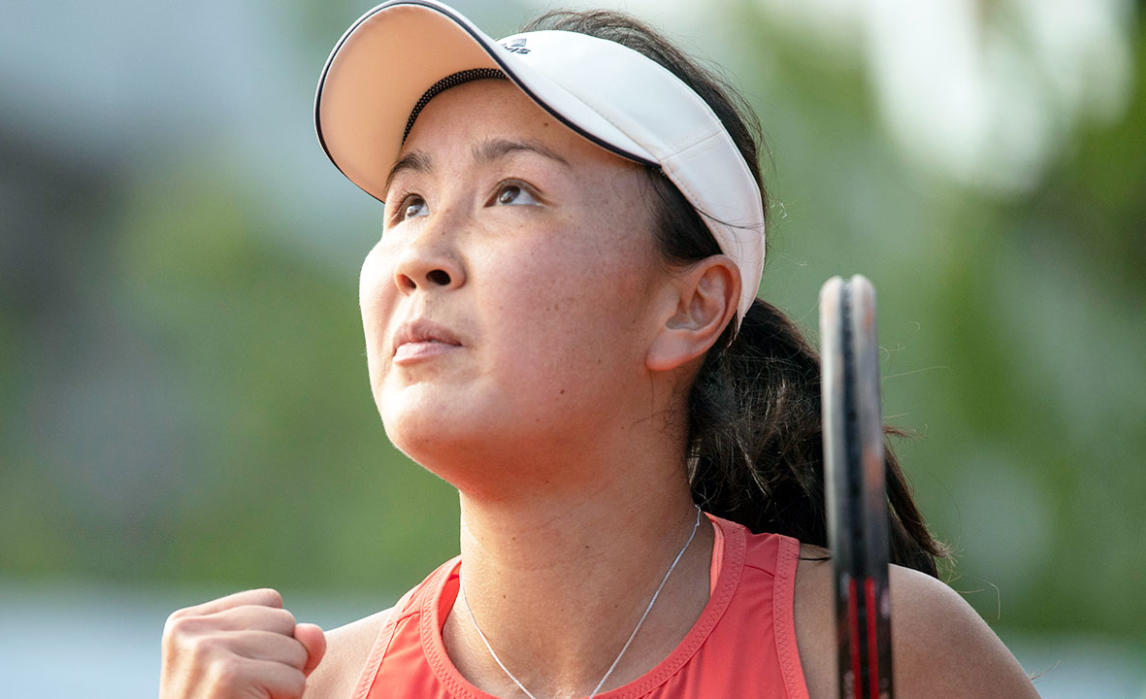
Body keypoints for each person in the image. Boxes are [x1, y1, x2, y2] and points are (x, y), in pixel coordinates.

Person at [159, 1, 1040, 697]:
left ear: (690, 308)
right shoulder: (319, 691)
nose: (420, 257)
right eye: (409, 203)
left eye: (512, 192)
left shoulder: (874, 655)